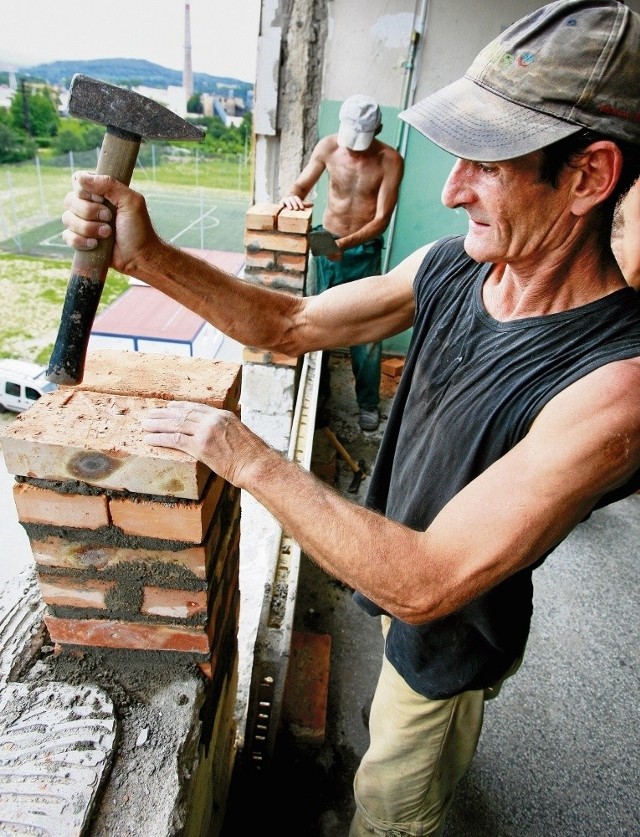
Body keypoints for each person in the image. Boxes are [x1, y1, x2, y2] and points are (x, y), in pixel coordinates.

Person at [61, 1, 640, 833]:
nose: (449, 189)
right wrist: (147, 256)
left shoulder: (615, 384)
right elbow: (288, 324)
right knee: (379, 737)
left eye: (486, 162)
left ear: (587, 176)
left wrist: (244, 455)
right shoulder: (453, 268)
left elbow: (427, 580)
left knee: (391, 805)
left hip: (448, 643)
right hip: (395, 591)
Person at [280, 93, 404, 431]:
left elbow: (381, 219)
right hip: (326, 244)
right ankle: (319, 401)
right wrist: (292, 196)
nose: (354, 148)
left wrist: (345, 245)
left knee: (367, 329)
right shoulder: (328, 147)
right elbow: (302, 184)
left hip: (362, 252)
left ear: (377, 129)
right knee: (318, 322)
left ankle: (367, 403)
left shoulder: (390, 160)